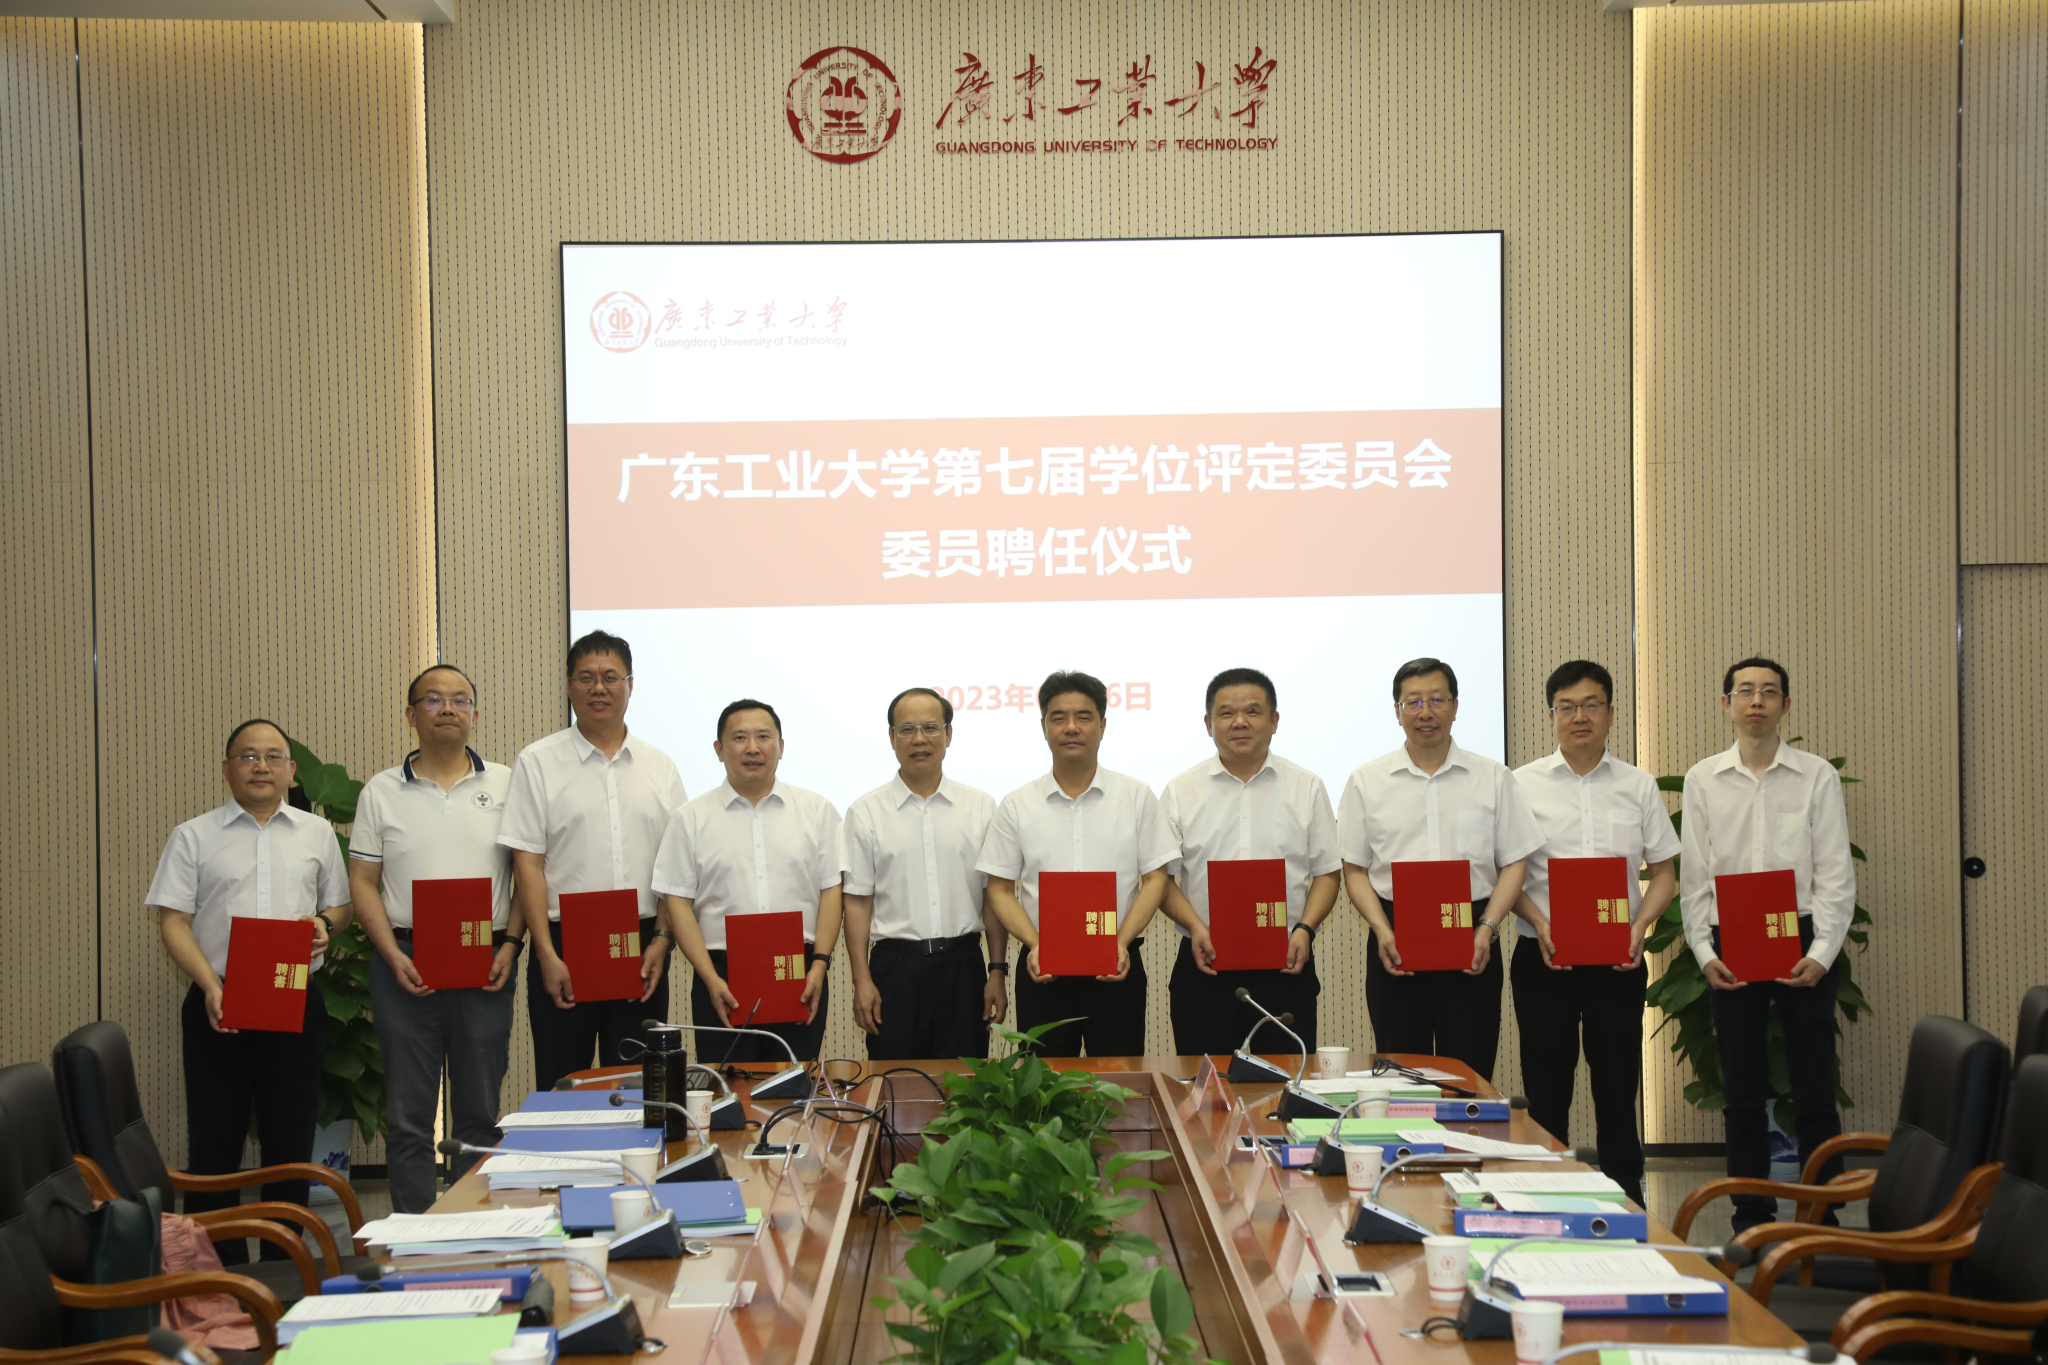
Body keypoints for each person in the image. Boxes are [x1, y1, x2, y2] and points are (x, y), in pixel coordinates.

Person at [146, 719, 350, 1258]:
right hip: (218, 1000)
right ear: (227, 768)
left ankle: (285, 1263)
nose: (261, 766)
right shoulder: (193, 835)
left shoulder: (316, 833)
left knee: (290, 1140)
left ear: (290, 769)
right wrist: (210, 985)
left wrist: (324, 925)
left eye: (273, 756)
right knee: (215, 1141)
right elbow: (173, 921)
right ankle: (218, 1269)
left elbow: (340, 906)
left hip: (293, 998)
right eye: (248, 756)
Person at [1681, 656, 1855, 1234]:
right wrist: (1705, 953)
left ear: (1786, 704)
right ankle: (1751, 1217)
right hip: (1731, 939)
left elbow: (1835, 874)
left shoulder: (1816, 776)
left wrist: (1822, 953)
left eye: (1769, 691)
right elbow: (1695, 878)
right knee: (1742, 1088)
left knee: (1814, 1086)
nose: (1757, 701)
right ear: (1726, 704)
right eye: (1745, 691)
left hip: (1801, 937)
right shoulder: (1704, 778)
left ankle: (1823, 1215)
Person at [349, 665, 522, 1214]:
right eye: (433, 699)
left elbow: (528, 875)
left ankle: (473, 1230)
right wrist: (389, 953)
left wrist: (511, 945)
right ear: (410, 714)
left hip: (486, 962)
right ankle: (414, 1237)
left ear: (475, 714)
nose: (447, 708)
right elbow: (362, 882)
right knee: (408, 1119)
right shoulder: (381, 790)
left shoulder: (507, 783)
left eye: (460, 700)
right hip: (404, 961)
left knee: (478, 1115)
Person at [1508, 661, 1680, 1205]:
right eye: (1566, 707)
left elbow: (1665, 873)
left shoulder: (1638, 785)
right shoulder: (1520, 784)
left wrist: (1639, 927)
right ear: (1551, 715)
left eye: (1590, 705)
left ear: (1609, 713)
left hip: (1617, 961)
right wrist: (1540, 922)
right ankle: (1546, 1200)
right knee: (1546, 1093)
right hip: (1543, 959)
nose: (1579, 717)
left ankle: (1628, 1202)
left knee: (1617, 1089)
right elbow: (1505, 873)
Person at [498, 630, 687, 1090]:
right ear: (569, 686)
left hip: (642, 946)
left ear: (630, 685)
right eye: (586, 678)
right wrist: (546, 954)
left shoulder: (659, 766)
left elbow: (676, 866)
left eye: (610, 677)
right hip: (564, 945)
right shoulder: (537, 762)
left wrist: (662, 940)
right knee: (564, 1087)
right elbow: (527, 865)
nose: (598, 688)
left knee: (640, 1089)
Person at [1338, 657, 1541, 1080]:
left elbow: (1514, 862)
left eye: (1436, 700)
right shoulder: (1366, 781)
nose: (1425, 712)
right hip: (1395, 936)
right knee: (1399, 1073)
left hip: (1472, 933)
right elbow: (1354, 869)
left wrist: (1488, 926)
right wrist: (1381, 929)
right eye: (1413, 702)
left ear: (1455, 706)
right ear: (1397, 712)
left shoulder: (1493, 776)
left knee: (1469, 1073)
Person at [978, 671, 1177, 1057]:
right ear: (1043, 727)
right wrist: (1036, 945)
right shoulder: (1017, 804)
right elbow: (999, 889)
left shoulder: (1136, 796)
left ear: (1102, 725)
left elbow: (1156, 878)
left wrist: (1120, 942)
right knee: (1042, 1084)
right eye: (1059, 718)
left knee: (1121, 1083)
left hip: (1117, 965)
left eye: (1083, 717)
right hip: (1043, 969)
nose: (1071, 727)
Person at [1159, 667, 1340, 1057]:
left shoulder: (1306, 787)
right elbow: (1162, 880)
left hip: (1286, 964)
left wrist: (1305, 930)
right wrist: (1195, 927)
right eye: (1226, 713)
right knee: (1205, 1084)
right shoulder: (1180, 791)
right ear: (1208, 724)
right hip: (1204, 963)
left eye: (1253, 711)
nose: (1239, 722)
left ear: (1274, 721)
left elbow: (1327, 873)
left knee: (1286, 1082)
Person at [654, 699, 843, 1063]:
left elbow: (832, 891)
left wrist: (820, 964)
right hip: (720, 974)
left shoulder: (817, 811)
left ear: (781, 747)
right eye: (740, 737)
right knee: (727, 1086)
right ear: (719, 749)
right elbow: (677, 902)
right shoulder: (690, 818)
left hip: (798, 971)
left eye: (763, 737)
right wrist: (709, 978)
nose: (753, 748)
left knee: (792, 1083)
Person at [842, 687, 1008, 1061]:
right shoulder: (866, 812)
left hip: (964, 968)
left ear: (948, 734)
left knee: (965, 1083)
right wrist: (862, 981)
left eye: (931, 727)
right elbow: (857, 903)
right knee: (895, 1083)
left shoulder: (980, 807)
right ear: (892, 737)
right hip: (895, 972)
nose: (919, 739)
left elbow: (993, 897)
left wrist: (996, 971)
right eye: (907, 729)